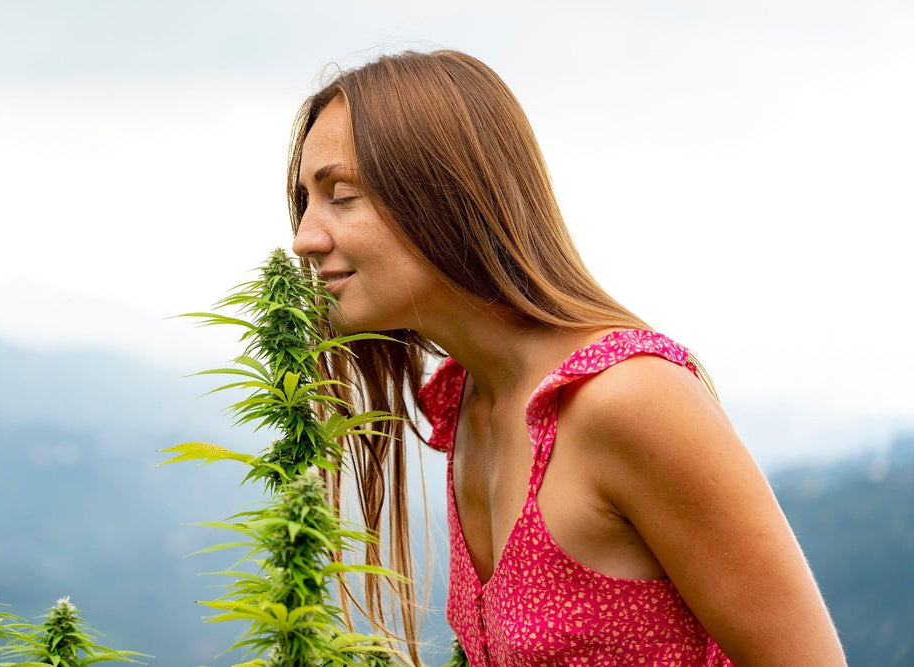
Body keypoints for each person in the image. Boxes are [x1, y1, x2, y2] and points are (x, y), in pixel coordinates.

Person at [289, 49, 846, 666]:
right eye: (307, 201)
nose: (305, 238)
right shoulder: (468, 405)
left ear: (445, 194)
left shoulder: (626, 398)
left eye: (341, 195)